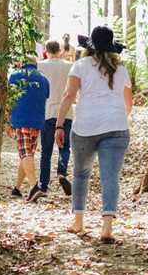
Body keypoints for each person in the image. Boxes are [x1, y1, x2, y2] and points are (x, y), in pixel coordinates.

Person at [55, 26, 133, 242]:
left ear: (89, 47)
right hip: (116, 128)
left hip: (84, 127)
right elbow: (129, 104)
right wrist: (117, 116)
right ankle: (107, 228)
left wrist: (59, 125)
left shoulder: (80, 65)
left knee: (81, 175)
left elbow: (68, 96)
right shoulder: (122, 70)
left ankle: (78, 222)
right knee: (110, 177)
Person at [8, 56, 49, 202]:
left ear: (21, 64)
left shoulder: (14, 76)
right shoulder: (44, 79)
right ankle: (17, 189)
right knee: (27, 154)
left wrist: (8, 121)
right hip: (37, 121)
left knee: (25, 154)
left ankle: (33, 187)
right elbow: (45, 98)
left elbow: (9, 99)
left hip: (20, 120)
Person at [37, 40, 74, 198]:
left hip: (47, 111)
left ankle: (43, 184)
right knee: (64, 147)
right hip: (66, 112)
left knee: (46, 150)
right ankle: (61, 172)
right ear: (60, 50)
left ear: (46, 50)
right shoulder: (69, 66)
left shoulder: (40, 66)